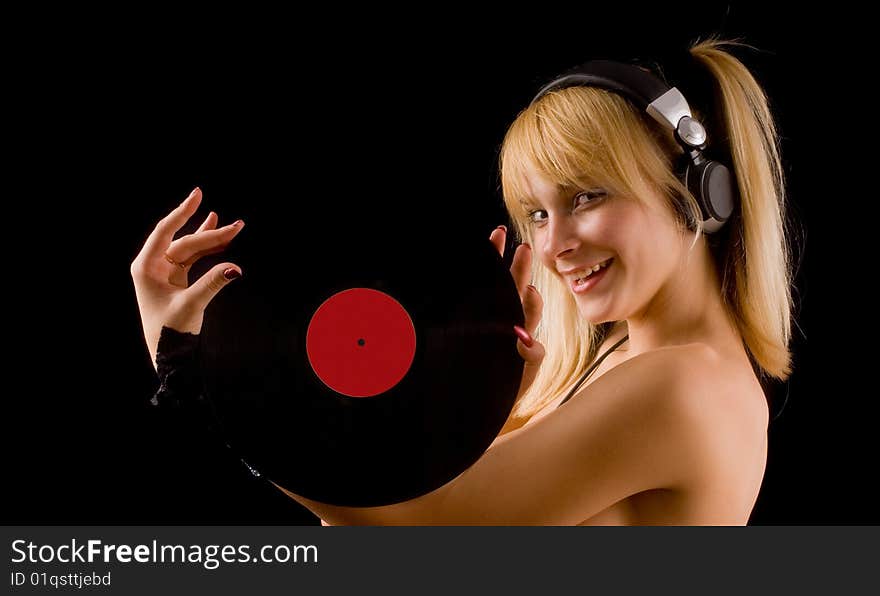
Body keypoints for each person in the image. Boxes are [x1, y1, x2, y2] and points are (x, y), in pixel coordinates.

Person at [131, 36, 794, 525]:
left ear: (701, 196)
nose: (553, 245)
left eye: (588, 197)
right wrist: (490, 411)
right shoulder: (631, 358)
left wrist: (200, 371)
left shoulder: (681, 385)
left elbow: (410, 536)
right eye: (535, 212)